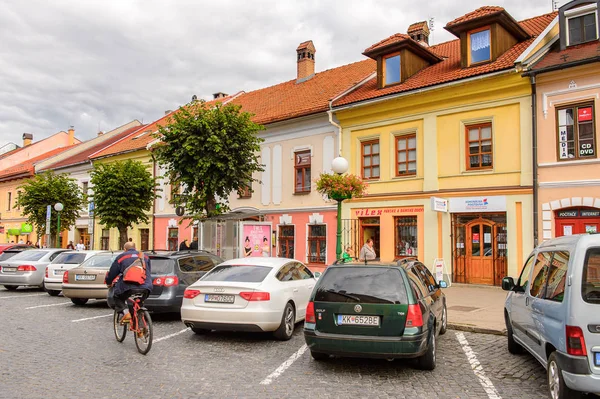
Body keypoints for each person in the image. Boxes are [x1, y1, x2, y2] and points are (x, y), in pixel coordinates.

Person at [104, 241, 152, 324]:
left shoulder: (121, 257)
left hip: (128, 286)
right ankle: (140, 328)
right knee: (139, 303)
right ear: (135, 248)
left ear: (125, 249)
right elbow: (148, 271)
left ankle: (126, 313)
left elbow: (112, 273)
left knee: (117, 296)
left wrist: (109, 282)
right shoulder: (145, 256)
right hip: (146, 286)